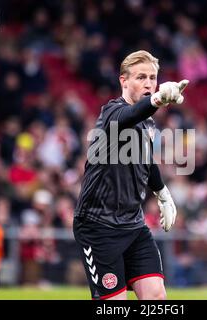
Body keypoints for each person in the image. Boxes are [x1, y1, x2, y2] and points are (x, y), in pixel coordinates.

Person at [73, 50, 189, 300]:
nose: (148, 83)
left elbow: (145, 159)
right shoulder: (112, 113)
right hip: (98, 226)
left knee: (157, 297)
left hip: (133, 224)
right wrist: (157, 99)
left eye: (152, 77)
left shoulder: (146, 123)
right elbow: (130, 115)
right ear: (123, 81)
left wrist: (162, 193)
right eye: (140, 77)